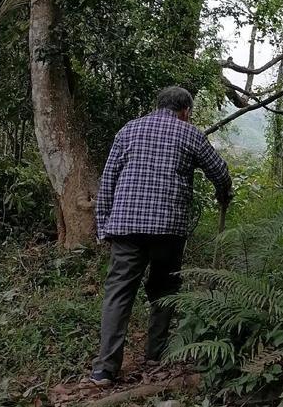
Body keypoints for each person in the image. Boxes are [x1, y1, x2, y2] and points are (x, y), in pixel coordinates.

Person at [89, 86, 232, 387]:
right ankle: (155, 352)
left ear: (158, 106)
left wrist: (103, 227)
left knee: (118, 293)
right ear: (185, 112)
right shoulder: (189, 133)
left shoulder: (129, 130)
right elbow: (219, 171)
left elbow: (108, 181)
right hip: (168, 229)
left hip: (126, 226)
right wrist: (224, 194)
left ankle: (104, 368)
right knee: (165, 288)